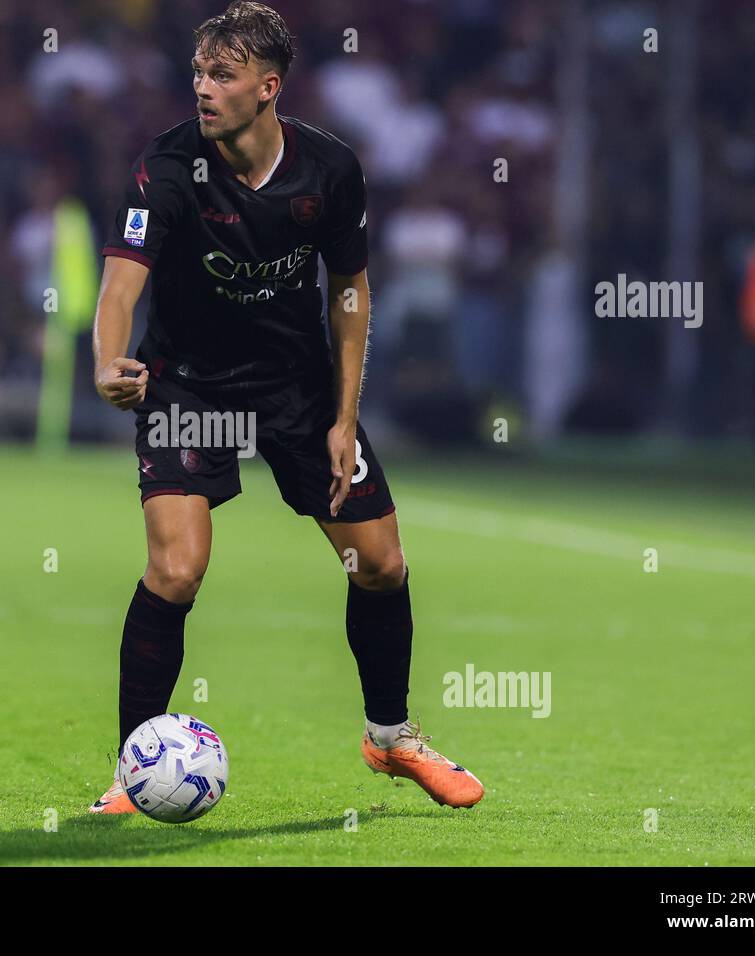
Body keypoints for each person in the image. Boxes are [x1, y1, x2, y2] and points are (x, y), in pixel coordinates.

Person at [89, 2, 483, 813]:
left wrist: (344, 417)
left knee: (381, 564)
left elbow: (349, 289)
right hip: (187, 385)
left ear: (268, 87)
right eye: (198, 72)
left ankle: (391, 738)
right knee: (176, 567)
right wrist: (106, 361)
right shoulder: (165, 169)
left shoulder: (330, 171)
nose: (202, 87)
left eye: (222, 75)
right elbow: (122, 278)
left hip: (295, 388)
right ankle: (134, 771)